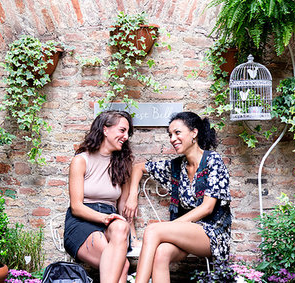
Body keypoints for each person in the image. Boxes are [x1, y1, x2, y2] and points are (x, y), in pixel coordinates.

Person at [123, 112, 232, 283]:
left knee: (153, 230)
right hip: (185, 231)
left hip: (213, 233)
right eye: (170, 134)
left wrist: (170, 227)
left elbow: (207, 208)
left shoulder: (213, 161)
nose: (172, 138)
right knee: (161, 254)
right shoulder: (176, 166)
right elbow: (138, 168)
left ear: (194, 133)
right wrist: (132, 197)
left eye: (177, 133)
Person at [64, 110, 134, 283]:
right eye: (122, 130)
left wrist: (133, 235)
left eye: (127, 133)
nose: (125, 136)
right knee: (123, 266)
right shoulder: (81, 160)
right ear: (105, 130)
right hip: (82, 221)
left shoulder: (123, 164)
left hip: (112, 222)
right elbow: (76, 207)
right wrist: (105, 218)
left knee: (120, 227)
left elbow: (123, 207)